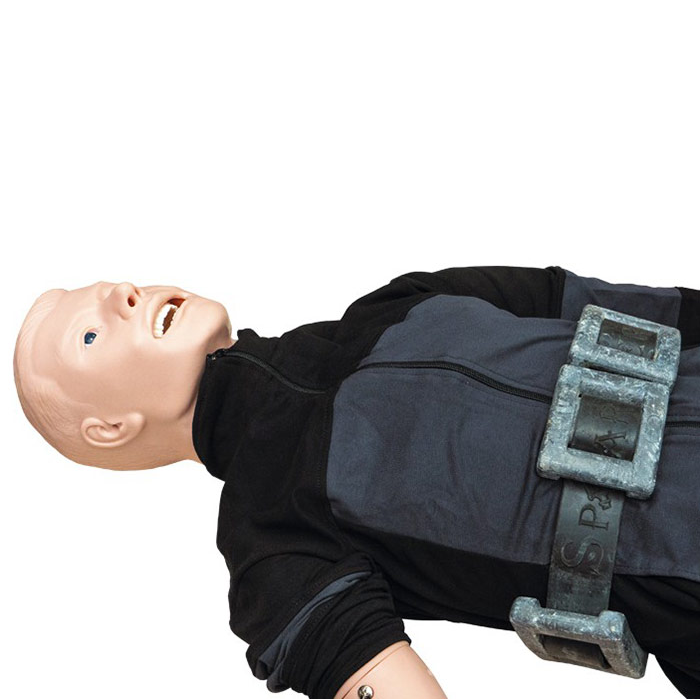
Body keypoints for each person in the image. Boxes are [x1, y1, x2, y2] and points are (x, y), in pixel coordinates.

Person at [13, 266, 700, 699]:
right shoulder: (274, 545)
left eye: (118, 286)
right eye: (91, 335)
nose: (125, 294)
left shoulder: (396, 304)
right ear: (110, 428)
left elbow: (643, 312)